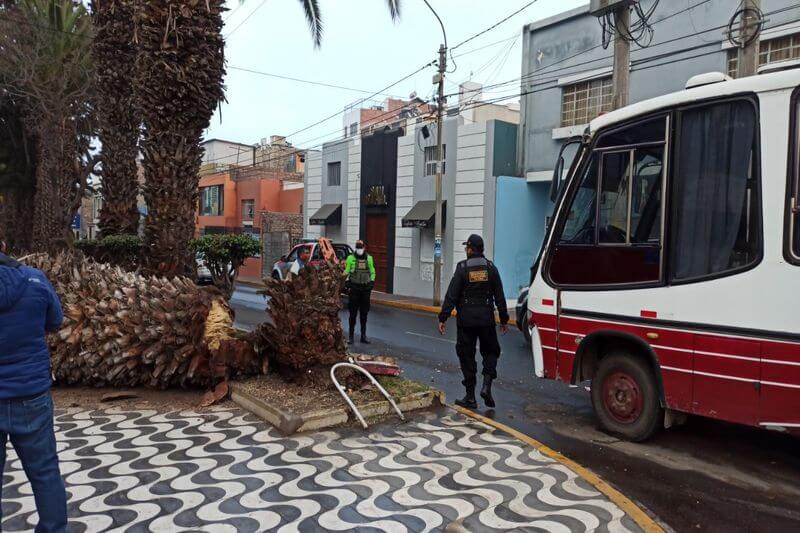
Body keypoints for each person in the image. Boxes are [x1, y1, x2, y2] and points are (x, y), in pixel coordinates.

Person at [0, 240, 68, 532]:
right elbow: (55, 320)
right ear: (4, 245)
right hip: (31, 395)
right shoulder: (34, 280)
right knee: (45, 474)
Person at [438, 234, 508, 409]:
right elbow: (499, 296)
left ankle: (470, 397)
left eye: (466, 248)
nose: (465, 250)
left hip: (466, 321)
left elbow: (451, 295)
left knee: (466, 355)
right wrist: (504, 319)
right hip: (486, 320)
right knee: (491, 352)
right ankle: (486, 385)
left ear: (470, 249)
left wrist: (443, 317)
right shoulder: (491, 268)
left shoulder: (462, 268)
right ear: (481, 249)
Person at [344, 240, 376, 344]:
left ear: (364, 247)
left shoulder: (369, 258)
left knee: (364, 314)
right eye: (357, 247)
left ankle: (363, 336)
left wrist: (372, 282)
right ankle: (351, 337)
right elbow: (346, 271)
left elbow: (372, 272)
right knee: (352, 314)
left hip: (365, 290)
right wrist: (346, 282)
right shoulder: (350, 258)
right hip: (354, 289)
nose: (359, 249)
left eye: (360, 247)